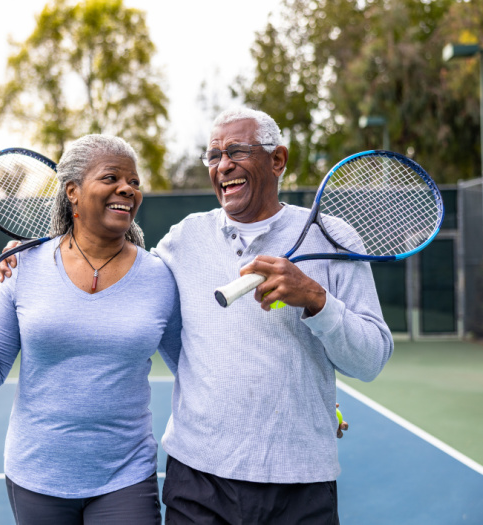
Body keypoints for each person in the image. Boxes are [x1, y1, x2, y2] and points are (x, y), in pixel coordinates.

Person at [153, 106, 393, 524]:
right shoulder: (184, 238)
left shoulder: (335, 237)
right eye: (214, 156)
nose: (223, 165)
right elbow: (151, 310)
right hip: (198, 479)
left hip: (300, 479)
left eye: (237, 151)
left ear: (277, 160)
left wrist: (315, 300)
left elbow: (371, 360)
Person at [0, 134, 182, 524]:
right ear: (72, 191)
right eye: (111, 178)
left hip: (125, 476)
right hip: (36, 475)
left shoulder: (159, 276)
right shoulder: (21, 266)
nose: (127, 188)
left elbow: (191, 370)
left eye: (135, 182)